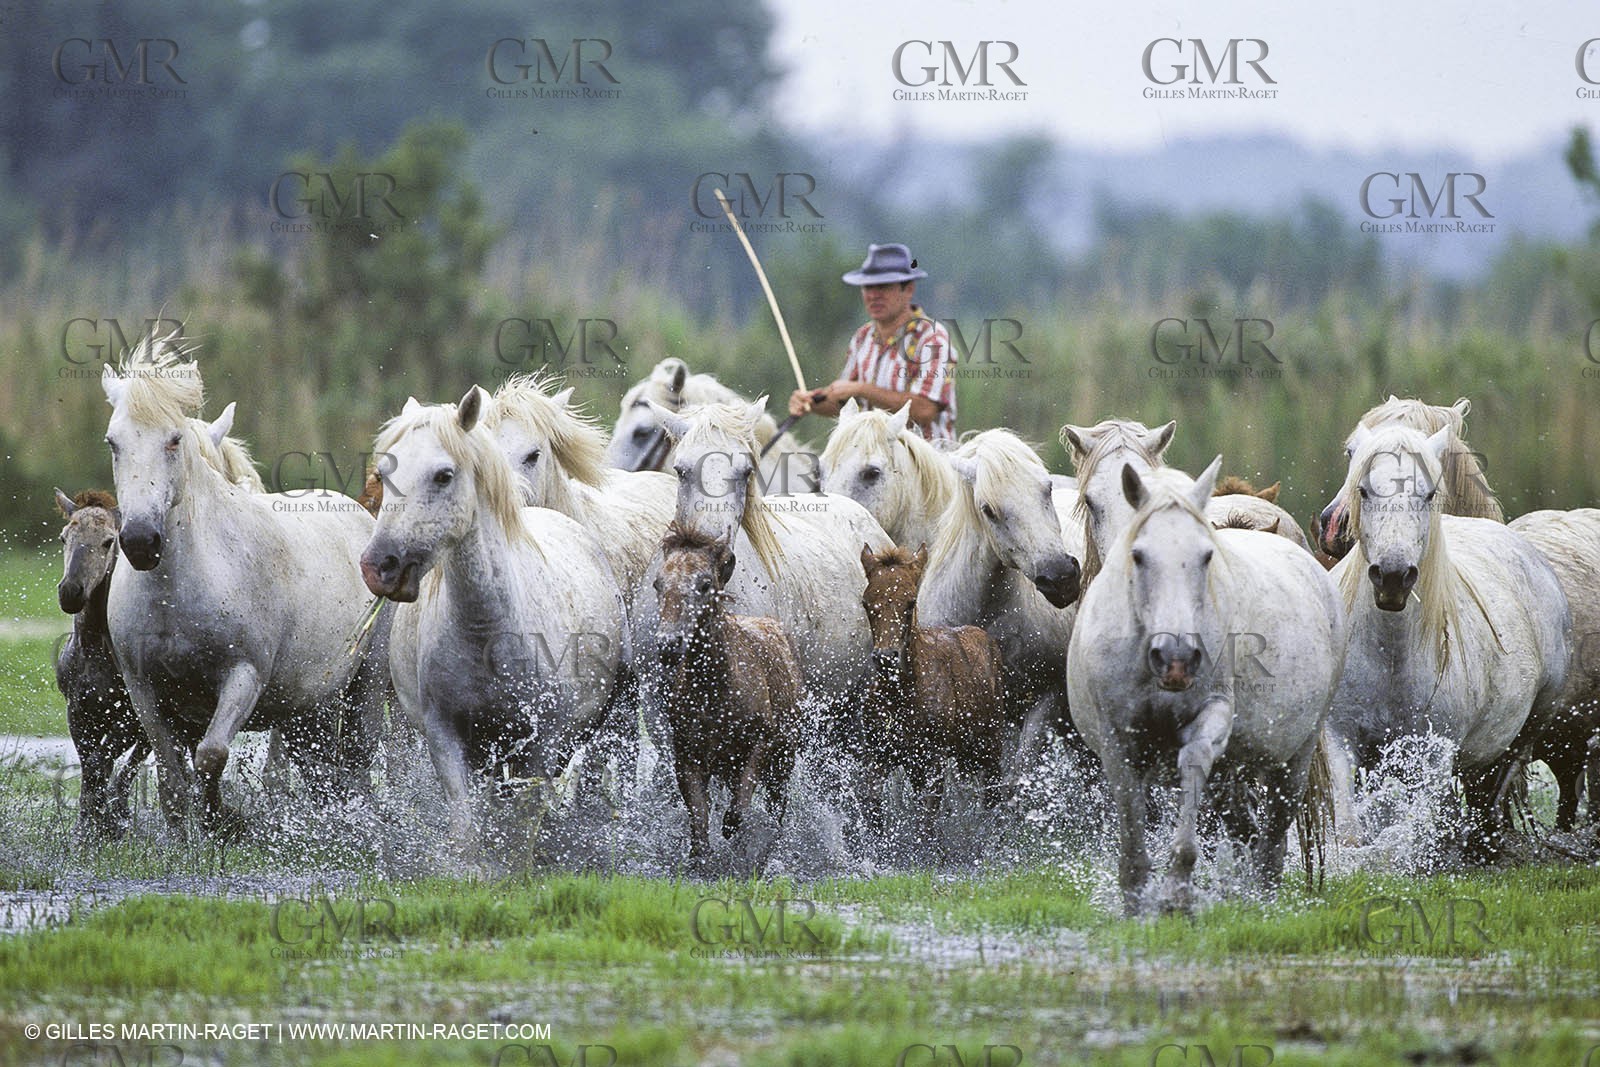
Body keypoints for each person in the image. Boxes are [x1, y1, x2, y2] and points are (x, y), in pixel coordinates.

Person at [788, 243, 956, 443]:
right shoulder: (862, 338)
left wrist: (862, 389)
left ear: (908, 289)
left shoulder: (932, 338)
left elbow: (925, 409)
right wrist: (809, 403)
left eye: (884, 286)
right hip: (875, 464)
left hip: (927, 463)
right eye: (868, 286)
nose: (873, 295)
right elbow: (844, 403)